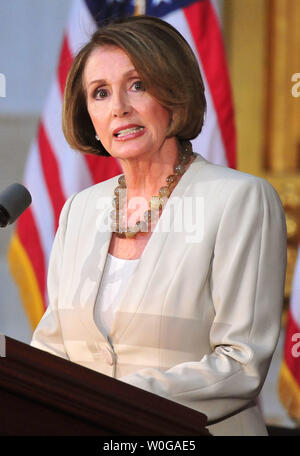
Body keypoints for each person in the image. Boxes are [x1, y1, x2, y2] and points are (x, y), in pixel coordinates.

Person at [30, 15, 287, 436]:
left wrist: (110, 398)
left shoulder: (238, 200)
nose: (119, 108)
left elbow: (241, 363)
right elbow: (53, 350)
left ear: (175, 92)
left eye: (138, 85)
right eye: (100, 93)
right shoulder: (79, 210)